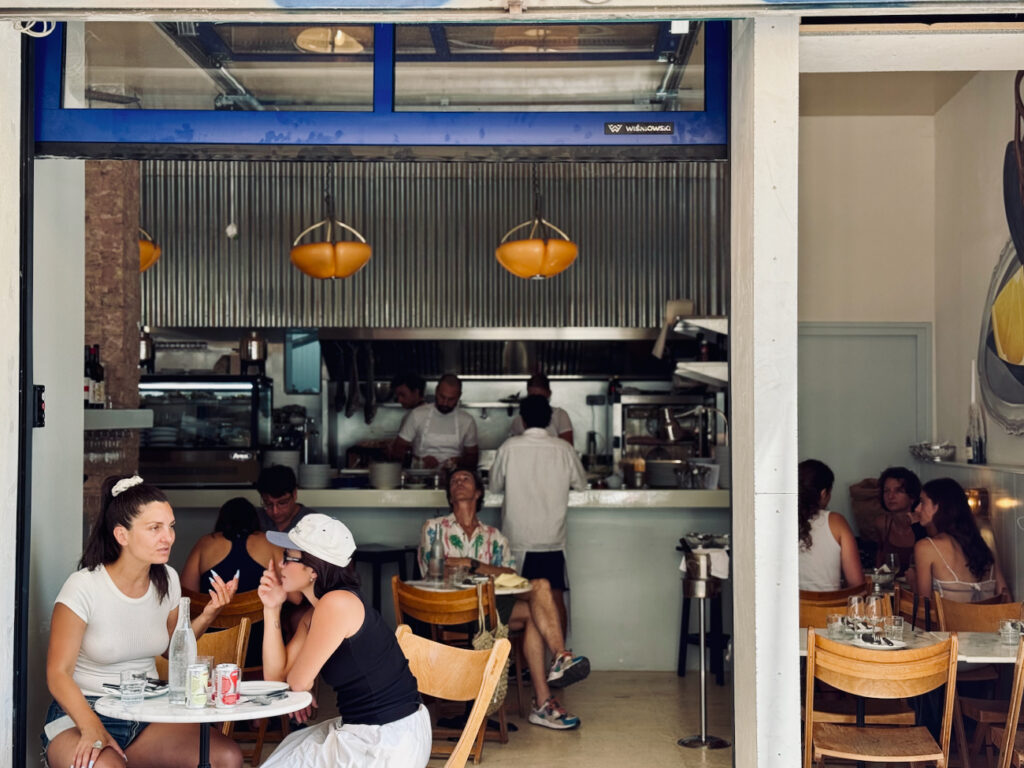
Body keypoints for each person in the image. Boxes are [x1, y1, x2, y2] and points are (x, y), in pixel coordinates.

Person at [43, 475, 241, 768]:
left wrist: (209, 613)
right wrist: (92, 726)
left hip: (146, 714)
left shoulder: (168, 580)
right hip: (80, 714)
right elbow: (57, 674)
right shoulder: (84, 586)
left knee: (227, 757)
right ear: (122, 535)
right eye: (155, 528)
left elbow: (171, 650)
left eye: (170, 526)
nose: (169, 537)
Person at [418, 469, 590, 730]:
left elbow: (510, 575)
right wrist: (487, 569)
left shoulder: (494, 537)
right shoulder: (433, 528)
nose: (459, 482)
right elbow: (431, 570)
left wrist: (469, 563)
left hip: (490, 607)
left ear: (478, 492)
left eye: (465, 479)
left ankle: (555, 670)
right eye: (454, 480)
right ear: (449, 495)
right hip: (451, 609)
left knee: (540, 587)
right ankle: (549, 687)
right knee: (537, 597)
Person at [257, 514, 430, 767]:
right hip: (370, 729)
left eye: (287, 558)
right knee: (288, 749)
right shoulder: (315, 612)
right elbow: (275, 681)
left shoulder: (336, 604)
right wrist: (271, 608)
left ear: (313, 570)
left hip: (387, 739)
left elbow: (296, 681)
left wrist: (299, 688)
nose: (279, 565)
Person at [490, 395, 587, 634]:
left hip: (517, 540)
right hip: (551, 539)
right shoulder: (563, 449)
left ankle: (521, 667)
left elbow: (493, 487)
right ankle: (560, 661)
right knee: (555, 598)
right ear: (549, 419)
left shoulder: (509, 448)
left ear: (522, 420)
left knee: (517, 601)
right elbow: (581, 484)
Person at [913, 477, 1009, 603]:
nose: (917, 509)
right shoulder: (983, 542)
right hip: (988, 621)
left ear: (937, 507)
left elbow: (923, 607)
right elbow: (1006, 597)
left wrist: (913, 582)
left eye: (922, 502)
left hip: (949, 622)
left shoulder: (926, 547)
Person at [182, 497, 283, 594]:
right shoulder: (269, 542)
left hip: (213, 611)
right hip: (264, 611)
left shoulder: (205, 542)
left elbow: (186, 593)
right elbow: (295, 597)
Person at [797, 459, 865, 592]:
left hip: (791, 611)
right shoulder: (836, 521)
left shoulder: (779, 522)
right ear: (823, 494)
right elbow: (856, 583)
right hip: (830, 610)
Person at [390, 373, 479, 470]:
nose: (445, 403)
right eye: (442, 397)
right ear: (436, 391)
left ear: (459, 396)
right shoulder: (417, 415)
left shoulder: (467, 420)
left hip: (454, 477)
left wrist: (459, 461)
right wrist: (419, 461)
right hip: (419, 477)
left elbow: (473, 456)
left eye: (451, 399)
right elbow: (398, 449)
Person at [872, 466, 926, 575]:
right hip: (892, 587)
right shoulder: (882, 523)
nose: (890, 496)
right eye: (886, 491)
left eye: (898, 491)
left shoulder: (924, 524)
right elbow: (880, 556)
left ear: (912, 497)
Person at [508, 373, 574, 445]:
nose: (536, 401)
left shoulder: (560, 415)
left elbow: (567, 446)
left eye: (540, 397)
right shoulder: (519, 418)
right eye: (532, 396)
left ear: (549, 394)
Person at [256, 465, 314, 533]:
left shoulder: (314, 523)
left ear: (294, 494)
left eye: (282, 503)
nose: (275, 512)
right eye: (268, 504)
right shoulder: (254, 519)